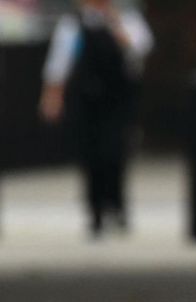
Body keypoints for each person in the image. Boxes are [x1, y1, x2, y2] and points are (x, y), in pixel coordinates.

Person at [39, 0, 153, 239]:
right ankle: (95, 211)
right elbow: (60, 63)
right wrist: (52, 96)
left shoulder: (125, 19)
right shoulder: (73, 23)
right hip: (87, 100)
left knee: (114, 153)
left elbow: (140, 47)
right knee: (90, 155)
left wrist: (113, 23)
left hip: (117, 101)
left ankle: (117, 204)